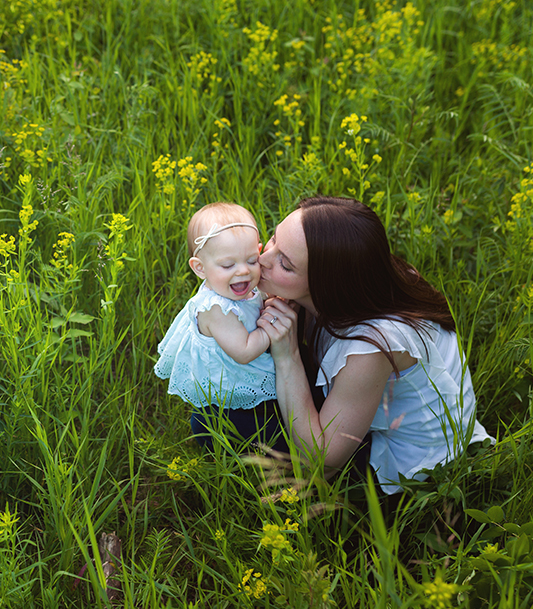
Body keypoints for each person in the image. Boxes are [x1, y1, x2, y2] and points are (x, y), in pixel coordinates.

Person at [257, 196, 491, 494]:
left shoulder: (371, 347)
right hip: (370, 402)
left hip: (406, 463)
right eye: (274, 239)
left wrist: (287, 355)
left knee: (226, 423)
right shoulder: (363, 279)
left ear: (326, 284)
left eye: (284, 264)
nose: (261, 259)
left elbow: (321, 463)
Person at [154, 202, 281, 450]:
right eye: (228, 265)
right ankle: (216, 442)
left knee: (272, 418)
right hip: (226, 398)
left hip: (243, 378)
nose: (243, 271)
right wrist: (271, 326)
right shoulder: (215, 309)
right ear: (200, 268)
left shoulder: (238, 289)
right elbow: (244, 352)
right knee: (251, 432)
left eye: (252, 260)